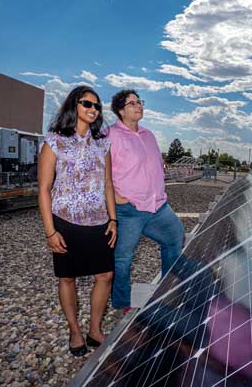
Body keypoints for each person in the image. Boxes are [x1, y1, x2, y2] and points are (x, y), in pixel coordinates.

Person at [38, 86, 117, 357]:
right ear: (74, 106)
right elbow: (44, 189)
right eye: (87, 104)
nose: (93, 109)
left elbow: (108, 184)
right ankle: (74, 330)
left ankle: (95, 330)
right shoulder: (54, 142)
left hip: (97, 222)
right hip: (65, 221)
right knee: (67, 278)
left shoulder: (102, 144)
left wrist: (113, 219)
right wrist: (50, 231)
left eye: (97, 106)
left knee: (105, 275)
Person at [107, 89, 184, 314]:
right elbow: (100, 171)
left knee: (175, 237)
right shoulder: (109, 135)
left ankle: (168, 289)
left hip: (157, 206)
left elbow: (155, 164)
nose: (138, 106)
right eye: (132, 103)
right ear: (120, 110)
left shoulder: (148, 135)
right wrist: (118, 199)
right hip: (129, 209)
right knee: (123, 258)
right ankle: (122, 303)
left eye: (140, 102)